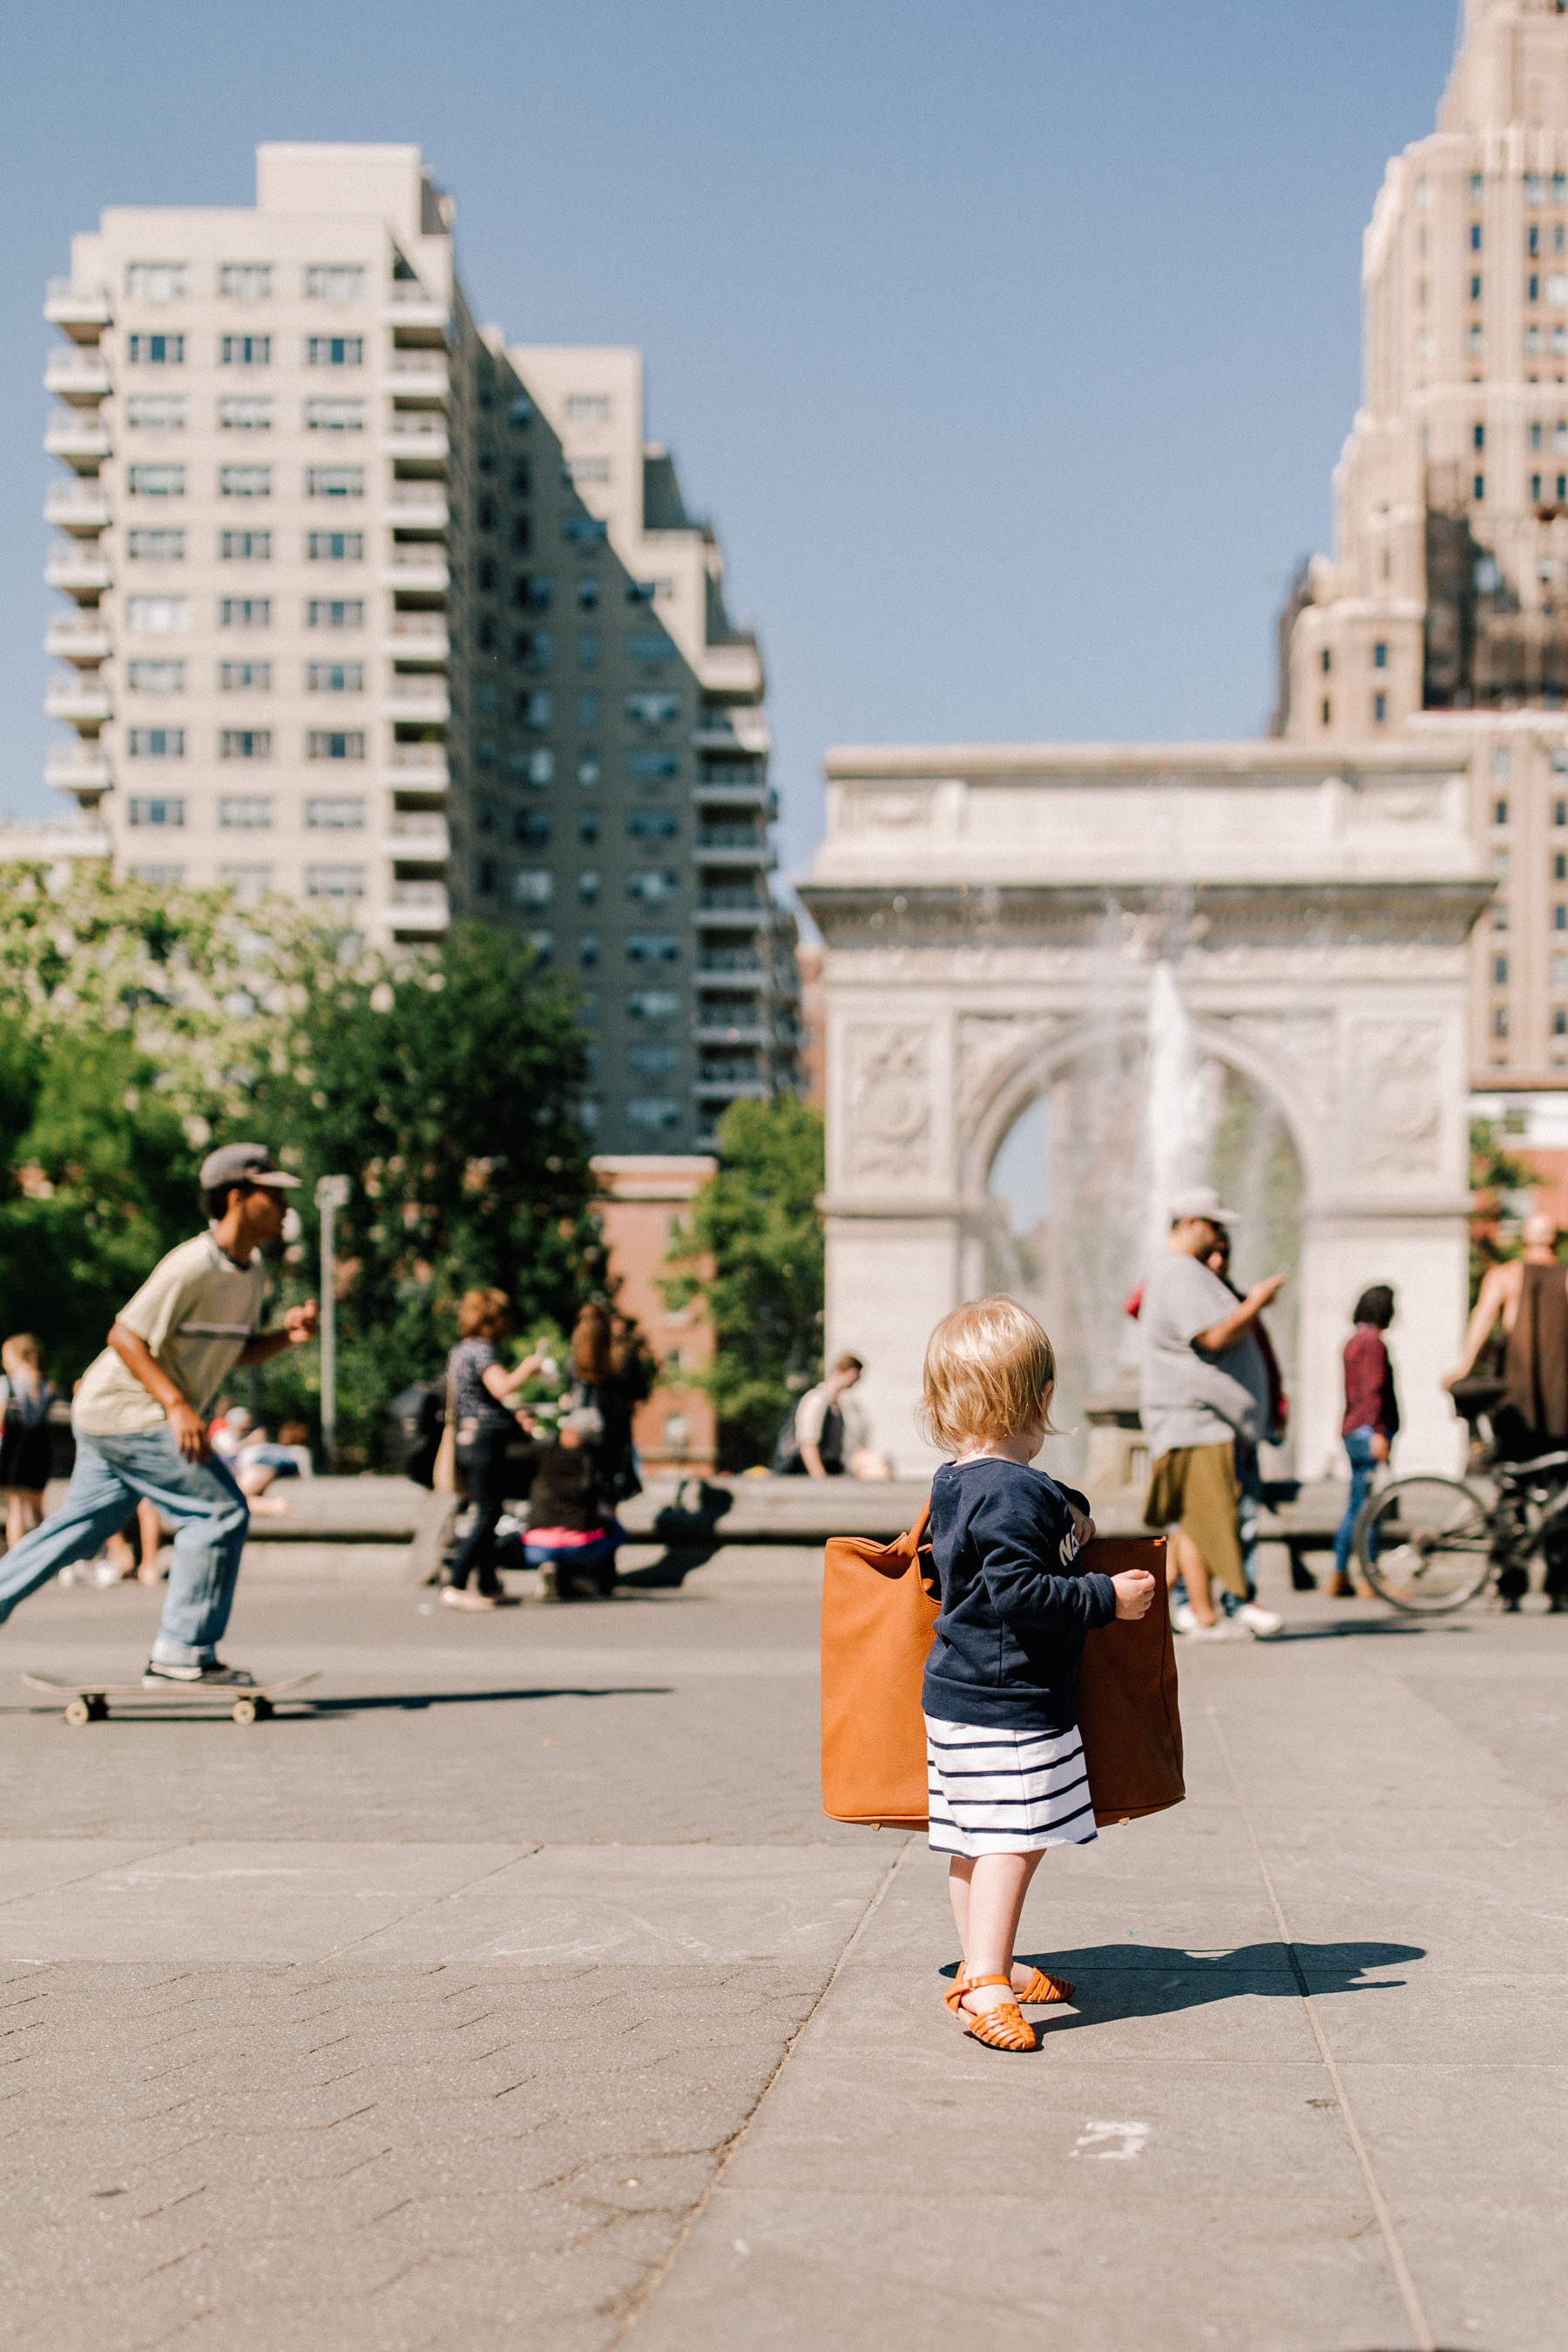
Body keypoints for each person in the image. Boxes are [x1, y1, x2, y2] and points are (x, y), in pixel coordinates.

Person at [919, 1295, 1155, 2052]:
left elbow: (1002, 1541)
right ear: (1044, 1396)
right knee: (1012, 1840)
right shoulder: (1014, 1491)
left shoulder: (960, 1479)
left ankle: (988, 1961)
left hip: (958, 1694)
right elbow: (1021, 1593)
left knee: (972, 1838)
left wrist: (1072, 1506)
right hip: (1008, 1702)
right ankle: (984, 1984)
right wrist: (1105, 1598)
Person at [0, 1143, 318, 1684]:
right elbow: (124, 1334)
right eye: (274, 1195)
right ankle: (181, 1652)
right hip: (130, 1410)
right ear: (238, 1198)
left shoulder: (251, 1272)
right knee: (220, 1512)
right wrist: (176, 1406)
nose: (287, 1206)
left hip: (113, 1416)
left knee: (78, 1531)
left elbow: (230, 1349)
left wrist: (284, 1339)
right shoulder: (192, 1264)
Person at [1139, 1186, 1285, 1640]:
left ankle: (1152, 1615)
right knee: (1205, 1522)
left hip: (1199, 1419)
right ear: (1190, 1224)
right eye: (1215, 1225)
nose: (1220, 1236)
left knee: (1194, 1524)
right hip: (1195, 1419)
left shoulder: (1175, 1272)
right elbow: (1214, 1337)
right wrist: (1256, 1303)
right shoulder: (1180, 1272)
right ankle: (1204, 1616)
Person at [1445, 1212, 1568, 1609]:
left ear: (1525, 1239)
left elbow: (1483, 1320)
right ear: (1555, 1240)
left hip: (1515, 1406)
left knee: (1511, 1493)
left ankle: (1508, 1586)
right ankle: (1559, 1586)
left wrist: (1462, 1369)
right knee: (1561, 1498)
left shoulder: (1506, 1275)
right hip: (1561, 1406)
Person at [441, 1288, 544, 1611]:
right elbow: (501, 1387)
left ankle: (487, 1584)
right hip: (485, 1442)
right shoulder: (482, 1350)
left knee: (486, 1510)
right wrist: (530, 1367)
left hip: (466, 1439)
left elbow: (473, 1399)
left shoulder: (459, 1350)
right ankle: (456, 1584)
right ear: (492, 1321)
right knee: (489, 1513)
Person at [1204, 1228, 1288, 1612]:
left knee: (1247, 1516)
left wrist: (1277, 1408)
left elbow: (1265, 1359)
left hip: (1243, 1430)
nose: (1218, 1261)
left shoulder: (1239, 1302)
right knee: (1202, 1517)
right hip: (1208, 1429)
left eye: (1225, 1253)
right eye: (1209, 1253)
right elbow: (1136, 1304)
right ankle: (1191, 1598)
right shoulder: (1186, 1295)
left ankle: (1242, 1595)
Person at [1329, 1285, 1399, 1600]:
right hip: (1367, 1431)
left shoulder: (1353, 1341)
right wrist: (1379, 1432)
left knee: (1356, 1505)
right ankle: (1370, 1577)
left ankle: (1340, 1573)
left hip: (1352, 1430)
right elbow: (1373, 1390)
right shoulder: (1374, 1343)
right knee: (1370, 1508)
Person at [519, 1407, 623, 1598]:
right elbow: (602, 1499)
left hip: (536, 1544)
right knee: (614, 1530)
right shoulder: (592, 1461)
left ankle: (557, 1574)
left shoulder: (541, 1452)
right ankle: (584, 1578)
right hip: (578, 1546)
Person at [568, 1304, 647, 1505]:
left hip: (582, 1438)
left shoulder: (574, 1365)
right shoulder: (622, 1363)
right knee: (610, 1499)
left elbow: (570, 1397)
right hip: (614, 1440)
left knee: (586, 1496)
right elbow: (640, 1393)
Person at [0, 1335, 57, 1551]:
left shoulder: (8, 1383)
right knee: (37, 1509)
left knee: (16, 1507)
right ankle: (47, 1553)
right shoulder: (46, 1384)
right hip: (40, 1449)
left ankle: (17, 1557)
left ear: (16, 1356)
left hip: (15, 1450)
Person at [778, 1355, 866, 1477]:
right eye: (856, 1375)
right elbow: (807, 1442)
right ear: (848, 1371)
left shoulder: (836, 1404)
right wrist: (820, 1477)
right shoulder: (817, 1400)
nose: (857, 1380)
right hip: (803, 1475)